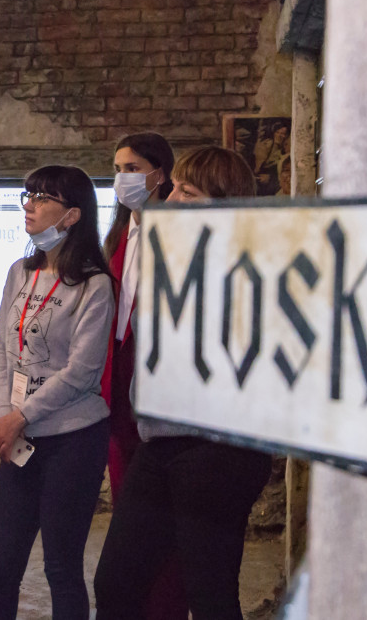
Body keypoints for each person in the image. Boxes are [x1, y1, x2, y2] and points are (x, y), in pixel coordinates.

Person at [94, 147, 273, 620]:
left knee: (209, 593)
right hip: (160, 440)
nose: (171, 200)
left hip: (218, 449)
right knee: (116, 583)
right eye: (174, 188)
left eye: (187, 193)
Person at [0, 165, 115, 620]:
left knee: (61, 568)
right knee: (0, 570)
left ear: (72, 215)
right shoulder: (20, 271)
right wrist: (3, 414)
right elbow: (2, 348)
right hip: (18, 436)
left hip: (72, 438)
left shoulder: (94, 284)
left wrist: (19, 417)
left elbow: (82, 372)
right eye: (28, 195)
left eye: (42, 198)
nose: (29, 206)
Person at [102, 133, 189, 619]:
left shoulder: (178, 234)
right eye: (118, 168)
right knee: (128, 507)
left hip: (160, 379)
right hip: (119, 381)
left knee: (166, 517)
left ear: (161, 174)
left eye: (133, 168)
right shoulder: (120, 235)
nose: (123, 178)